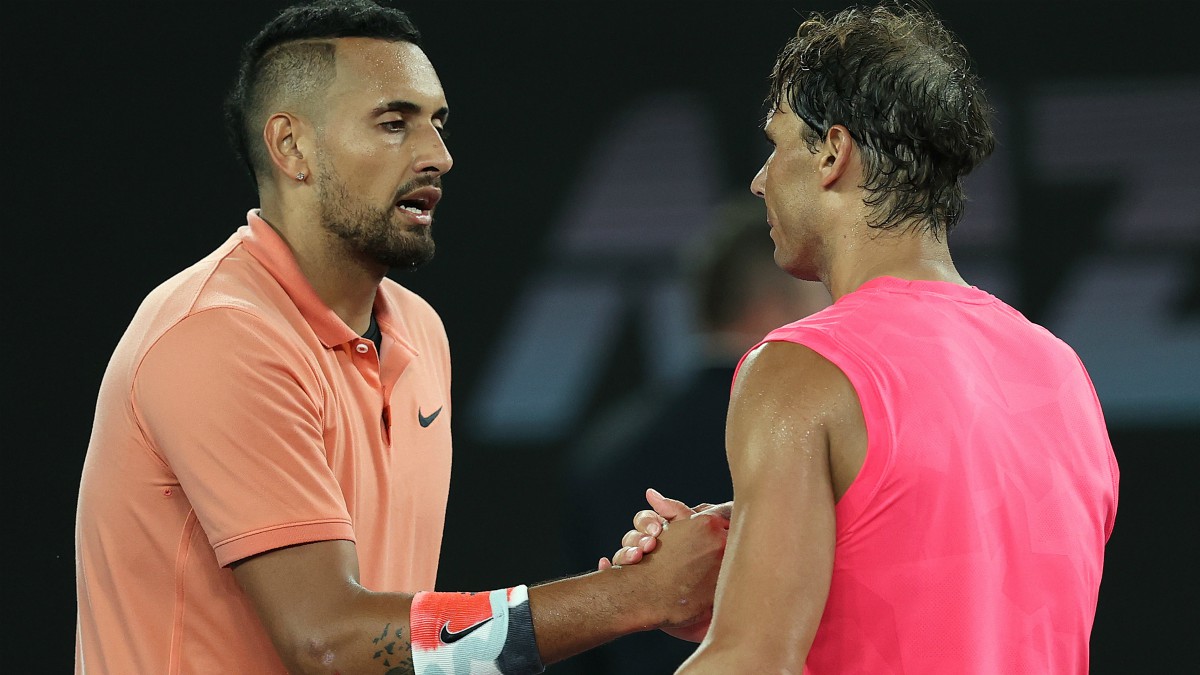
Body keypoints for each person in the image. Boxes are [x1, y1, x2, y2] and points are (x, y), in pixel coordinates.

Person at [73, 2, 727, 674]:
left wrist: (660, 580)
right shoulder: (219, 334)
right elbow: (328, 640)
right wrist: (636, 594)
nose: (437, 156)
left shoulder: (418, 330)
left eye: (437, 123)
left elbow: (401, 639)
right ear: (291, 146)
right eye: (394, 123)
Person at [613, 4, 1120, 673]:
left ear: (832, 153)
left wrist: (738, 628)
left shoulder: (799, 369)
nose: (761, 179)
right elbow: (960, 601)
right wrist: (745, 585)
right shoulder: (1062, 371)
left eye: (778, 143)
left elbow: (751, 662)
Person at [563, 196, 829, 673]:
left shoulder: (609, 448)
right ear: (775, 304)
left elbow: (584, 644)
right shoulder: (815, 432)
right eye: (823, 299)